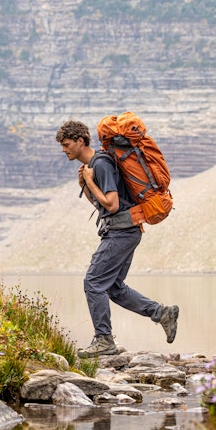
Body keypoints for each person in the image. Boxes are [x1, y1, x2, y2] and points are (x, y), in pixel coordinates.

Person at [55, 119, 179, 358]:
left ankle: (104, 340)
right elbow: (103, 205)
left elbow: (111, 204)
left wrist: (90, 181)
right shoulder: (95, 165)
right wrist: (88, 186)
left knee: (93, 282)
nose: (64, 149)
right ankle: (162, 313)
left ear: (81, 141)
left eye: (67, 144)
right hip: (125, 230)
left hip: (121, 232)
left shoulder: (100, 164)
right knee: (113, 287)